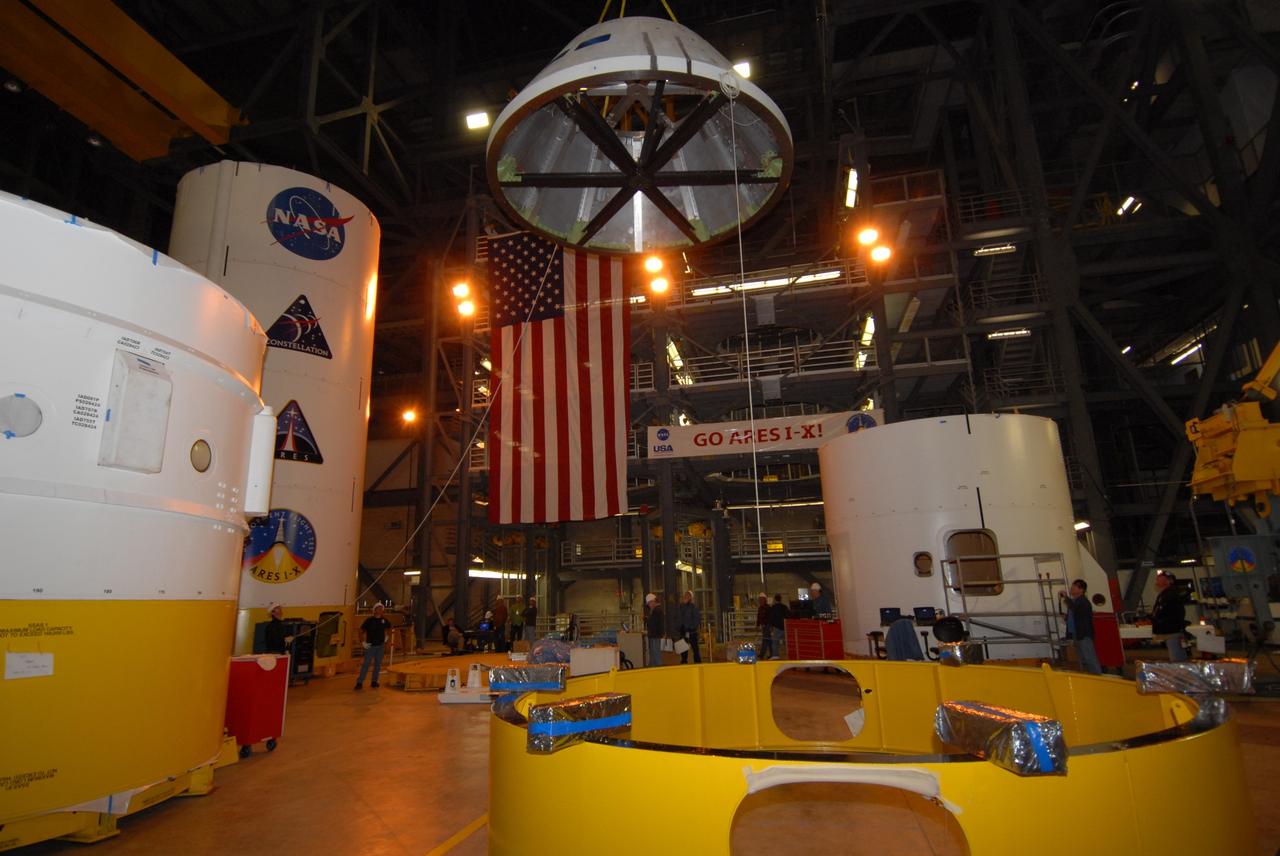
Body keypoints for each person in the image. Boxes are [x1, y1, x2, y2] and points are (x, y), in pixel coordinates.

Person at [1061, 579, 1102, 675]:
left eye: (1074, 586)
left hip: (1083, 635)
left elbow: (1076, 610)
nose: (1071, 588)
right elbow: (1077, 616)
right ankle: (1089, 676)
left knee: (1089, 657)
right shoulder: (1076, 602)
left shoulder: (1083, 602)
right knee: (1082, 658)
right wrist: (1067, 617)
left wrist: (1066, 598)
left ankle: (1097, 676)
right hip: (1077, 634)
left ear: (1081, 590)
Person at [1152, 571, 1189, 662]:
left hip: (1172, 630)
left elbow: (1170, 612)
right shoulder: (1164, 594)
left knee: (1177, 658)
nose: (1157, 580)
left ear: (1169, 581)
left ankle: (1181, 674)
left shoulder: (1171, 594)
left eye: (1160, 578)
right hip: (1170, 630)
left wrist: (1159, 619)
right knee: (1176, 655)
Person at [354, 603, 392, 690]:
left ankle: (374, 681)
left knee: (377, 665)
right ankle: (359, 682)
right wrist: (363, 642)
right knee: (366, 664)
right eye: (379, 609)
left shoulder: (384, 620)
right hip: (370, 646)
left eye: (382, 609)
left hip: (380, 646)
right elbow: (360, 631)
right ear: (375, 610)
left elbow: (389, 628)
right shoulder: (369, 620)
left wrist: (387, 637)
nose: (381, 610)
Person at [677, 590, 702, 664]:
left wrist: (691, 627)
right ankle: (684, 662)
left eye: (687, 596)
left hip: (692, 632)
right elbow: (678, 617)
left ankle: (697, 663)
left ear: (691, 597)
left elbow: (696, 619)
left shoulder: (694, 607)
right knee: (683, 649)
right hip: (683, 631)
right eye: (685, 595)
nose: (685, 597)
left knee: (695, 649)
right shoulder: (680, 607)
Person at [645, 593, 665, 667]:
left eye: (649, 603)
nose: (649, 606)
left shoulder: (656, 611)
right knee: (654, 652)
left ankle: (658, 668)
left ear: (653, 602)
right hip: (655, 634)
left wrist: (647, 620)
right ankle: (653, 667)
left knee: (655, 653)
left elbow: (653, 623)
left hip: (655, 635)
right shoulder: (657, 610)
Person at [769, 593, 789, 659]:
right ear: (781, 599)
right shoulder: (785, 607)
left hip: (777, 627)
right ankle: (789, 654)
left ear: (775, 599)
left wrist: (771, 626)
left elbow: (771, 617)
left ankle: (775, 655)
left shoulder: (773, 607)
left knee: (775, 642)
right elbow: (788, 616)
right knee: (786, 642)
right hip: (785, 627)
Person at [755, 592, 773, 659]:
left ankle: (762, 654)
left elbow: (770, 617)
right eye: (759, 599)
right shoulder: (760, 608)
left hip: (767, 626)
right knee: (769, 640)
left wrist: (771, 626)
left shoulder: (768, 608)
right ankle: (772, 654)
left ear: (764, 600)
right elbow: (758, 617)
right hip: (764, 626)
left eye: (761, 599)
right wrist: (757, 625)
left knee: (766, 640)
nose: (760, 601)